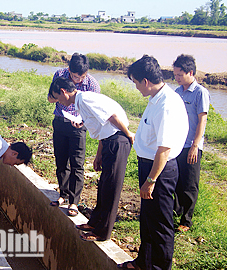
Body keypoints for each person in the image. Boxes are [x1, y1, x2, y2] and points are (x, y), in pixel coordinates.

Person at [118, 55, 188, 270]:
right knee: (147, 220)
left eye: (136, 83)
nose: (136, 87)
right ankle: (143, 262)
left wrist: (151, 180)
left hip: (159, 171)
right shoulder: (156, 98)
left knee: (160, 224)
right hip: (150, 166)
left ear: (145, 81)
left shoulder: (167, 104)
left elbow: (164, 149)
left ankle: (159, 267)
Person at [48, 76, 134, 242]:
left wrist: (128, 134)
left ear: (64, 92)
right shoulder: (80, 102)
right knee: (103, 186)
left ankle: (103, 233)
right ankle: (95, 222)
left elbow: (112, 117)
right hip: (109, 141)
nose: (59, 102)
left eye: (58, 98)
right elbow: (102, 126)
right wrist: (99, 154)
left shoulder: (86, 99)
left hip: (117, 140)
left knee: (111, 189)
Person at [47, 52, 101, 217]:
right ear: (69, 70)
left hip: (78, 126)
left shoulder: (92, 84)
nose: (77, 80)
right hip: (60, 121)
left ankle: (74, 201)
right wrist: (62, 97)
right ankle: (63, 194)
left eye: (81, 77)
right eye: (75, 76)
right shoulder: (60, 75)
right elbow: (50, 97)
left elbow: (94, 110)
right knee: (61, 160)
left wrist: (82, 120)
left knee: (77, 163)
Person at [172, 54, 210, 233]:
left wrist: (195, 145)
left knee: (190, 183)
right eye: (175, 75)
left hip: (191, 145)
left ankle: (186, 220)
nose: (176, 78)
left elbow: (202, 120)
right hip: (178, 143)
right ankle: (176, 211)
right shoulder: (177, 92)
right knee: (177, 179)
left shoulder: (200, 93)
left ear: (190, 72)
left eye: (179, 75)